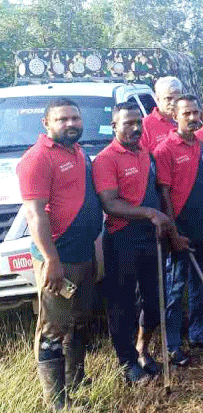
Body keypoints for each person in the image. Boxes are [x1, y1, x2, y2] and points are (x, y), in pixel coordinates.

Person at [18, 99, 103, 409]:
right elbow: (35, 215)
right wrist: (50, 260)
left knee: (80, 321)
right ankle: (57, 403)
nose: (71, 124)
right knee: (53, 329)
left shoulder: (80, 153)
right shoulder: (36, 159)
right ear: (46, 124)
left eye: (75, 118)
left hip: (83, 254)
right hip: (58, 258)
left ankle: (76, 381)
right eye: (62, 119)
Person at [93, 102, 177, 384]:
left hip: (150, 238)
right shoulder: (106, 159)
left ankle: (143, 349)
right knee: (123, 305)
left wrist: (162, 221)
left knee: (154, 302)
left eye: (138, 122)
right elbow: (110, 203)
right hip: (122, 238)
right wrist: (149, 213)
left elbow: (154, 192)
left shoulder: (146, 154)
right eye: (128, 123)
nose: (135, 128)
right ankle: (127, 363)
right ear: (114, 126)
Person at [154, 95, 203, 361]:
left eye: (196, 113)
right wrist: (173, 233)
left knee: (201, 283)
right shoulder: (165, 149)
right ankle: (172, 344)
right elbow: (164, 195)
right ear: (175, 115)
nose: (193, 118)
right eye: (187, 114)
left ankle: (197, 333)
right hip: (179, 230)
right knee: (176, 287)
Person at [140, 76, 181, 152]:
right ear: (158, 98)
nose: (173, 103)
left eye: (177, 98)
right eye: (168, 98)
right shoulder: (145, 125)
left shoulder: (186, 119)